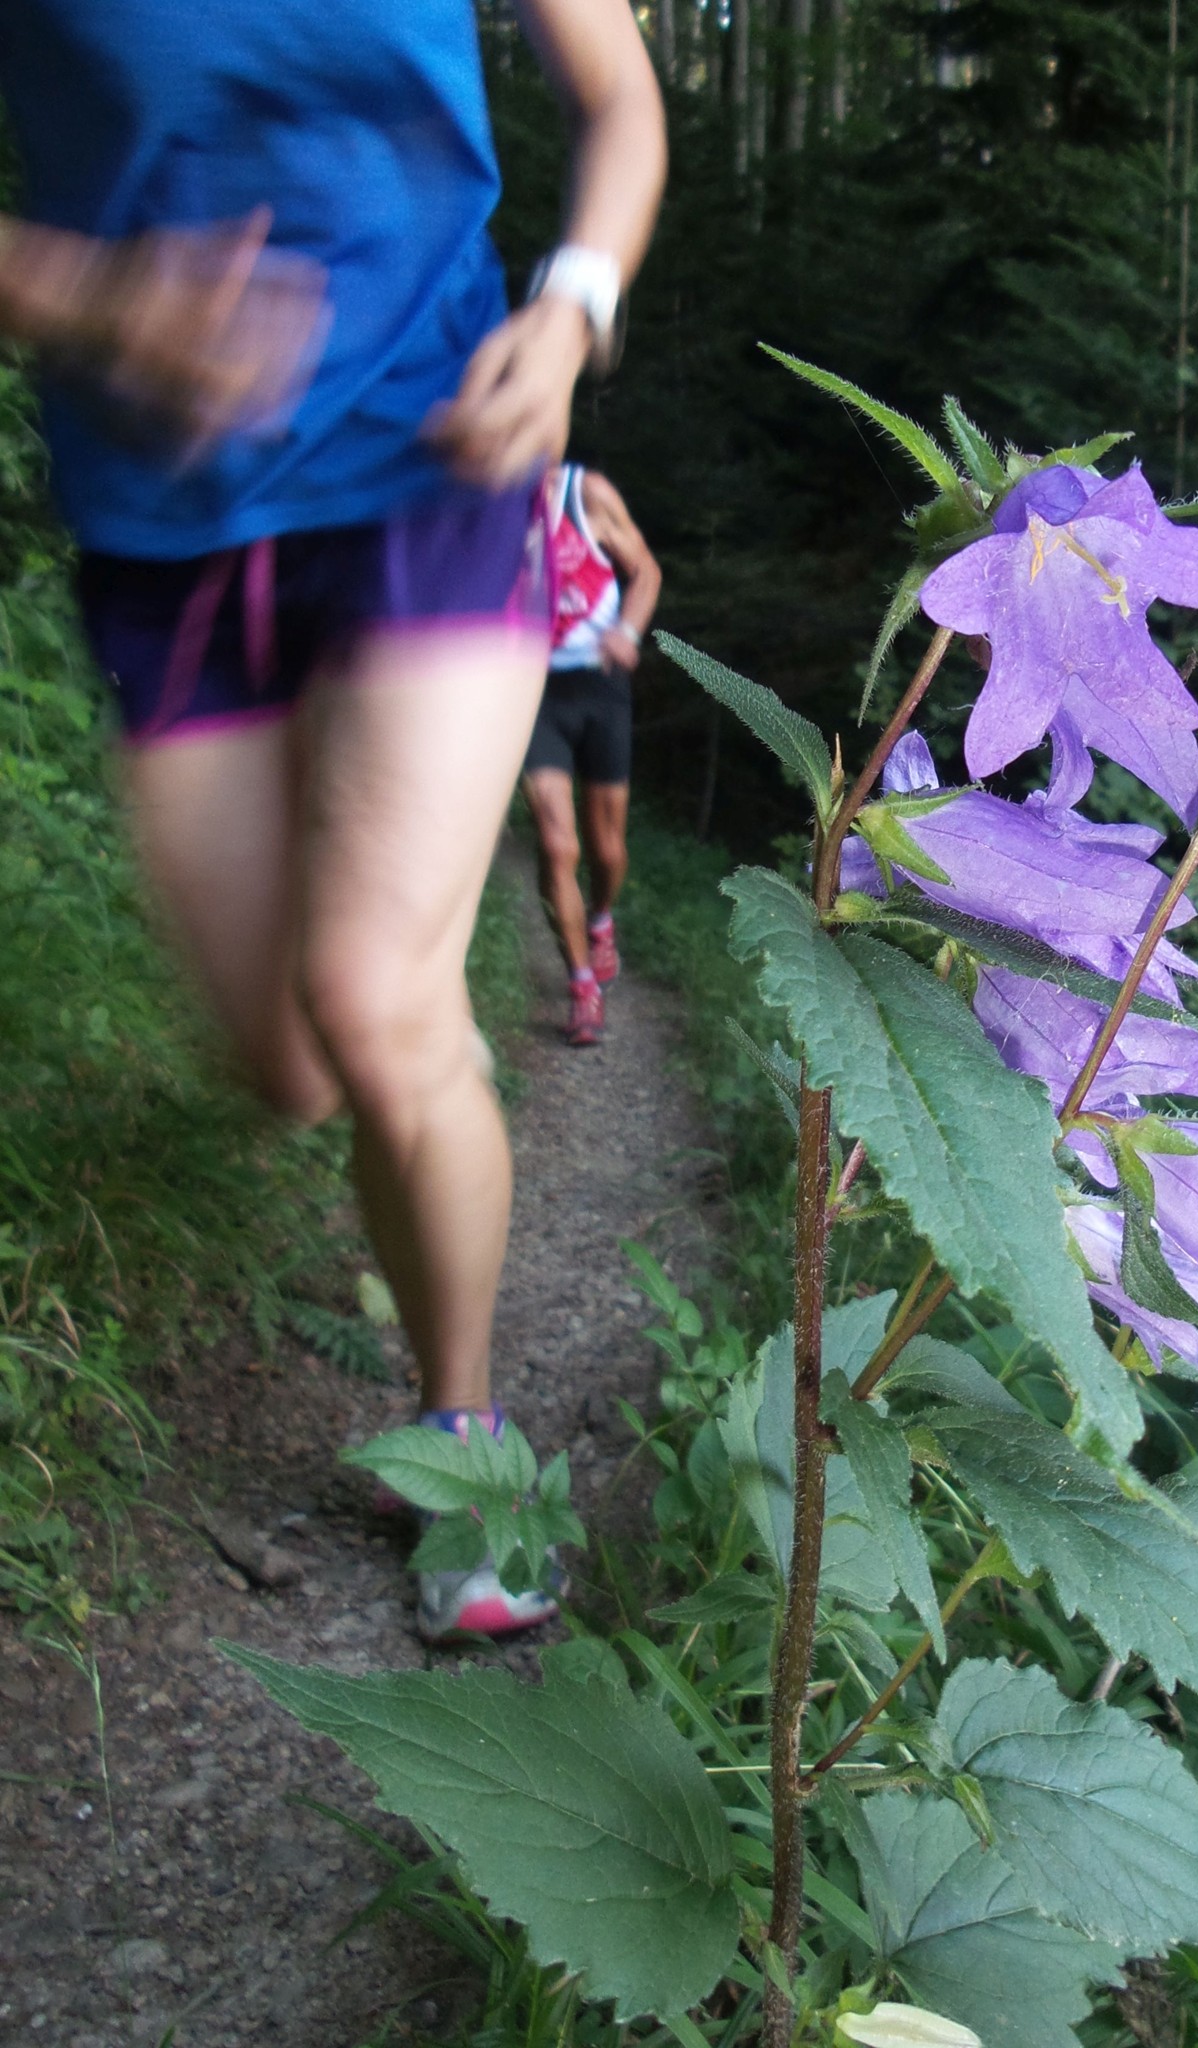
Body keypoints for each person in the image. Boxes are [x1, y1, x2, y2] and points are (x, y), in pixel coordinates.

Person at [0, 2, 666, 1640]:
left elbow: (619, 98)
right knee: (287, 1063)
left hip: (436, 463)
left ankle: (468, 1441)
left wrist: (569, 313)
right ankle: (418, 1066)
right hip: (171, 524)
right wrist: (83, 293)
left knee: (374, 1001)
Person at [522, 463, 661, 1046]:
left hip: (599, 684)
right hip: (530, 693)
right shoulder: (483, 510)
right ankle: (583, 990)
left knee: (607, 849)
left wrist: (627, 632)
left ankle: (601, 917)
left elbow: (646, 570)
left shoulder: (587, 495)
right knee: (558, 845)